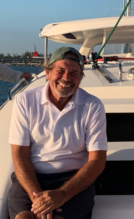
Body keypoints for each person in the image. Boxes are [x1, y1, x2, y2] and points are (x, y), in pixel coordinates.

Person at [8, 47, 107, 219]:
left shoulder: (93, 106)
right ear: (47, 72)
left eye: (74, 73)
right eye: (60, 70)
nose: (66, 78)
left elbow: (97, 161)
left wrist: (62, 195)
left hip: (73, 180)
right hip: (31, 176)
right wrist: (40, 201)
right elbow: (19, 156)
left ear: (81, 78)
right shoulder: (25, 101)